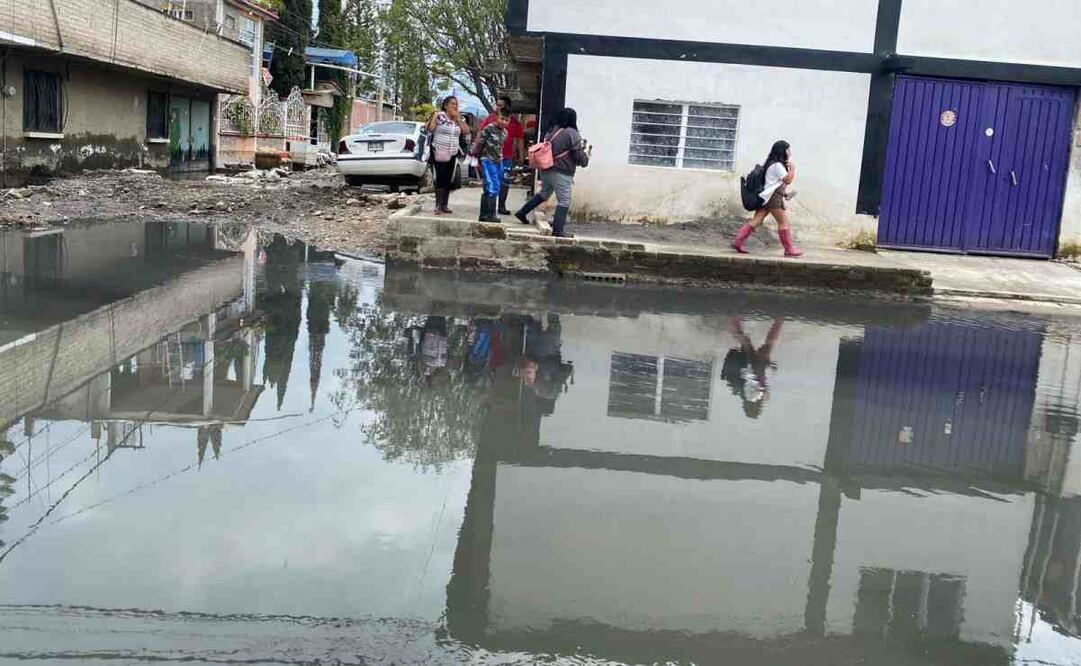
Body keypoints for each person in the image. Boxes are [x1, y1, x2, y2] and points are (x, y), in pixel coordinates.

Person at [514, 107, 590, 238]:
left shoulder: (551, 131)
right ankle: (558, 230)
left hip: (546, 169)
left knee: (544, 193)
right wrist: (586, 157)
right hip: (561, 172)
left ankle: (522, 212)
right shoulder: (572, 133)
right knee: (564, 200)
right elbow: (578, 157)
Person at [732, 140, 802, 257]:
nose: (790, 152)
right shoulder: (777, 165)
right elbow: (787, 180)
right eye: (788, 150)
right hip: (773, 197)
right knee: (783, 222)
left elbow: (772, 182)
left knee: (756, 220)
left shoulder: (770, 162)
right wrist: (793, 169)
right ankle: (789, 249)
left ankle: (738, 241)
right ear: (783, 151)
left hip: (766, 196)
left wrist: (785, 194)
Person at [720, 316, 785, 419]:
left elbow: (760, 380)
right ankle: (733, 315)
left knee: (767, 344)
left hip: (757, 366)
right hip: (748, 364)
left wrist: (769, 367)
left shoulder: (758, 397)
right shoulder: (743, 395)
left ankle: (780, 319)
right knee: (744, 340)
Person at [479, 96, 526, 214]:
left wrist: (521, 155)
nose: (497, 108)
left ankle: (501, 206)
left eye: (501, 105)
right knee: (490, 182)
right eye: (497, 105)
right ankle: (488, 209)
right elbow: (480, 136)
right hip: (489, 158)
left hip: (506, 158)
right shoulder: (490, 120)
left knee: (504, 181)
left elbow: (519, 139)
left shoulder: (514, 123)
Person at [426, 96, 470, 215]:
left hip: (452, 152)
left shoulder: (459, 118)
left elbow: (466, 131)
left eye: (456, 104)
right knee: (441, 176)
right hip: (439, 151)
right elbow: (431, 129)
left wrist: (458, 119)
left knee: (448, 178)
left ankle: (445, 205)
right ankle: (438, 205)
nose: (455, 106)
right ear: (446, 106)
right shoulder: (440, 116)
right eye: (452, 104)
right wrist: (434, 118)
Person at [475, 110, 509, 222]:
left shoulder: (505, 132)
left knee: (494, 186)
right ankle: (490, 214)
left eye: (506, 120)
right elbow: (480, 142)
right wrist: (478, 157)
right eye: (502, 119)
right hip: (488, 160)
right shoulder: (489, 128)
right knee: (492, 186)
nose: (503, 122)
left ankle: (484, 214)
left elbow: (501, 147)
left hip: (498, 161)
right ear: (496, 118)